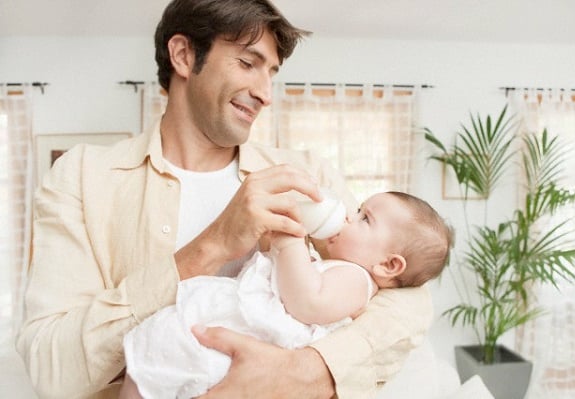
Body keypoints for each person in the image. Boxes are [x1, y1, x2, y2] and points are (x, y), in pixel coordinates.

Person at [17, 1, 435, 398]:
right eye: (247, 63)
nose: (266, 93)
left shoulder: (305, 177)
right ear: (183, 56)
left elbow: (408, 301)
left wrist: (306, 372)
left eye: (271, 72)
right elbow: (50, 370)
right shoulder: (82, 177)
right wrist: (209, 247)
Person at [119, 191, 453, 399]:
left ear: (389, 265)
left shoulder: (357, 281)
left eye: (366, 219)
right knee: (149, 362)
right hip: (226, 326)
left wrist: (289, 241)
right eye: (359, 207)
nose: (350, 215)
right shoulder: (336, 264)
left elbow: (307, 303)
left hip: (244, 349)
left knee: (162, 364)